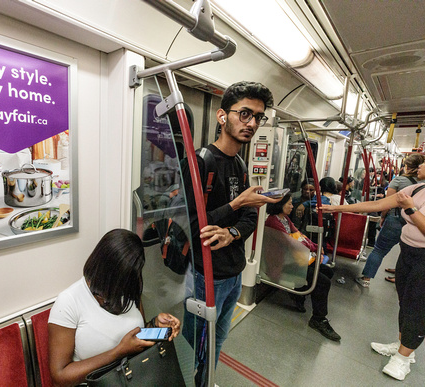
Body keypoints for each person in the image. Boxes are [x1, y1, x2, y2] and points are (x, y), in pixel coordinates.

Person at [181, 81, 278, 386]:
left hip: (233, 274)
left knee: (217, 343)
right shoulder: (198, 162)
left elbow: (250, 216)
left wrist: (231, 233)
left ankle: (205, 381)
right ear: (222, 116)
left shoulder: (239, 164)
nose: (252, 123)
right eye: (245, 114)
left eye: (258, 117)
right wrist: (235, 203)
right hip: (204, 275)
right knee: (192, 348)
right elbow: (193, 225)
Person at [322, 152, 425, 381]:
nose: (422, 165)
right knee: (404, 300)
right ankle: (404, 346)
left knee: (416, 307)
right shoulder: (419, 189)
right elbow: (378, 203)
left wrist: (411, 209)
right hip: (408, 252)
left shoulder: (414, 198)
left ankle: (403, 359)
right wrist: (338, 209)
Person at [48, 229, 181, 387]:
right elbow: (60, 377)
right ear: (108, 273)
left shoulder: (128, 288)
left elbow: (137, 335)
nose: (129, 284)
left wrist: (155, 326)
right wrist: (117, 352)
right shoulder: (69, 302)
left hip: (135, 378)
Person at [265, 193, 341, 341]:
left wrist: (315, 247)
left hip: (292, 260)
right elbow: (292, 244)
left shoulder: (284, 219)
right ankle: (318, 319)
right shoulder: (273, 222)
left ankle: (299, 292)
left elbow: (299, 236)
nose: (292, 206)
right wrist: (313, 251)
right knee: (322, 281)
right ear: (280, 205)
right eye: (289, 204)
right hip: (282, 264)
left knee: (327, 272)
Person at [355, 154, 425, 287]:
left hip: (395, 219)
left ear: (407, 167)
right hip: (415, 221)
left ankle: (366, 279)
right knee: (406, 250)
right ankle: (398, 275)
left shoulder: (398, 181)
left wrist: (382, 217)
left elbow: (386, 203)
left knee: (379, 249)